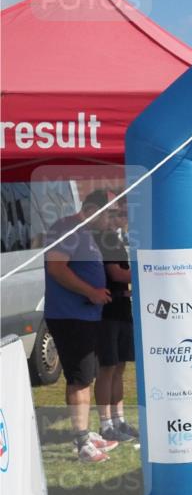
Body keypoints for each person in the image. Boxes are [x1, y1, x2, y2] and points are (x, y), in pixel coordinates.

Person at [44, 189, 118, 463]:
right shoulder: (66, 227)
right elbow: (57, 268)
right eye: (109, 213)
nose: (112, 219)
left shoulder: (84, 232)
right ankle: (82, 442)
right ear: (89, 209)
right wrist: (91, 292)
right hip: (70, 317)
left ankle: (86, 434)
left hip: (86, 317)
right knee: (80, 379)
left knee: (87, 376)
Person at [95, 203, 140, 445]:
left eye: (124, 213)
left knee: (120, 367)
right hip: (107, 312)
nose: (124, 217)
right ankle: (106, 424)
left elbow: (122, 278)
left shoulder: (115, 239)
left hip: (121, 309)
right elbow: (117, 274)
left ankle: (118, 419)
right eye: (118, 213)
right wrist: (147, 270)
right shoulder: (105, 239)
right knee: (108, 368)